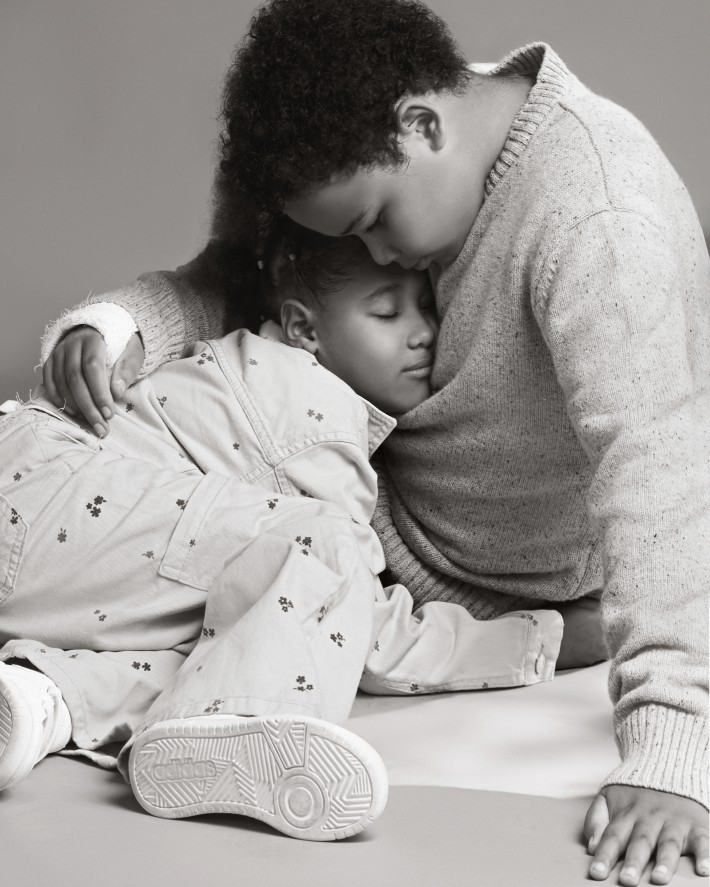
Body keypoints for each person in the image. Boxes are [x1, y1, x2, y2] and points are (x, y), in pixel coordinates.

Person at [38, 0, 709, 882]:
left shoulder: (598, 222)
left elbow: (656, 462)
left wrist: (672, 743)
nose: (380, 258)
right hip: (353, 518)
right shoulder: (372, 135)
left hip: (480, 585)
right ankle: (45, 692)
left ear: (422, 127)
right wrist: (121, 323)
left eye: (371, 225)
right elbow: (250, 281)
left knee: (236, 578)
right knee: (176, 578)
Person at [0, 224, 563, 840]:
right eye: (386, 312)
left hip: (45, 524)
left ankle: (38, 700)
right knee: (310, 573)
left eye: (427, 307)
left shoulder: (235, 368)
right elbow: (353, 615)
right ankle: (244, 727)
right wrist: (540, 637)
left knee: (239, 633)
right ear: (304, 330)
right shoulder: (314, 407)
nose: (423, 332)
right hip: (49, 501)